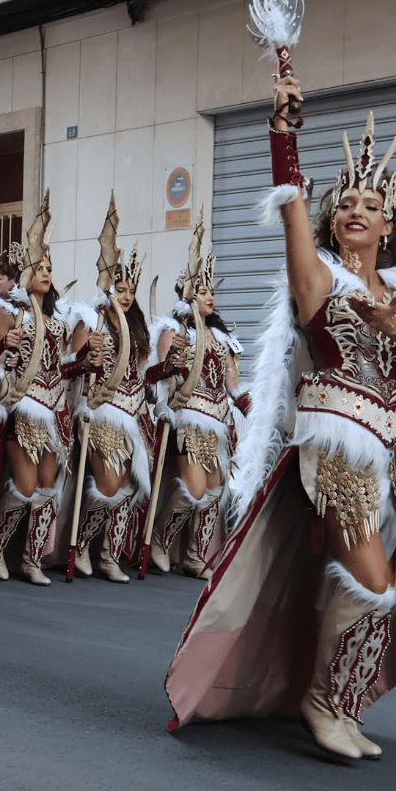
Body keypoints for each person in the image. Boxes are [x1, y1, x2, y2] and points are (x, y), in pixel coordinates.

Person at [166, 74, 396, 761]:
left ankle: (342, 703)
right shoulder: (317, 278)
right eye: (344, 202)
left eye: (370, 204)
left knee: (387, 590)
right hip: (339, 442)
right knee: (370, 584)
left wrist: (392, 324)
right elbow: (290, 201)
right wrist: (282, 133)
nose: (355, 210)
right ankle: (320, 704)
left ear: (388, 223)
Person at [0, 192, 101, 585]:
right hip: (22, 407)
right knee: (25, 484)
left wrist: (84, 362)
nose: (46, 273)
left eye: (49, 267)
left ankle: (32, 559)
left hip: (55, 410)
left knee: (48, 488)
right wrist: (5, 346)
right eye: (39, 267)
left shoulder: (57, 321)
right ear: (24, 273)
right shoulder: (8, 313)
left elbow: (61, 368)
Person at [145, 213, 243, 578]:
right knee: (194, 489)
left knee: (214, 492)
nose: (210, 297)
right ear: (188, 295)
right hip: (188, 417)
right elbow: (155, 376)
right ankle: (160, 540)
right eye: (203, 291)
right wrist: (173, 360)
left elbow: (232, 385)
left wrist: (258, 410)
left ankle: (195, 556)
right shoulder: (174, 332)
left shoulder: (224, 338)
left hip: (219, 421)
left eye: (212, 291)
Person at [66, 202, 154, 582]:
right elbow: (69, 365)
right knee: (108, 484)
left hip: (135, 413)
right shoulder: (91, 320)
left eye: (131, 290)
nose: (127, 296)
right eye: (120, 289)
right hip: (101, 409)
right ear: (108, 288)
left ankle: (109, 555)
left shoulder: (137, 327)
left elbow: (144, 373)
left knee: (129, 485)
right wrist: (88, 355)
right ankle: (82, 544)